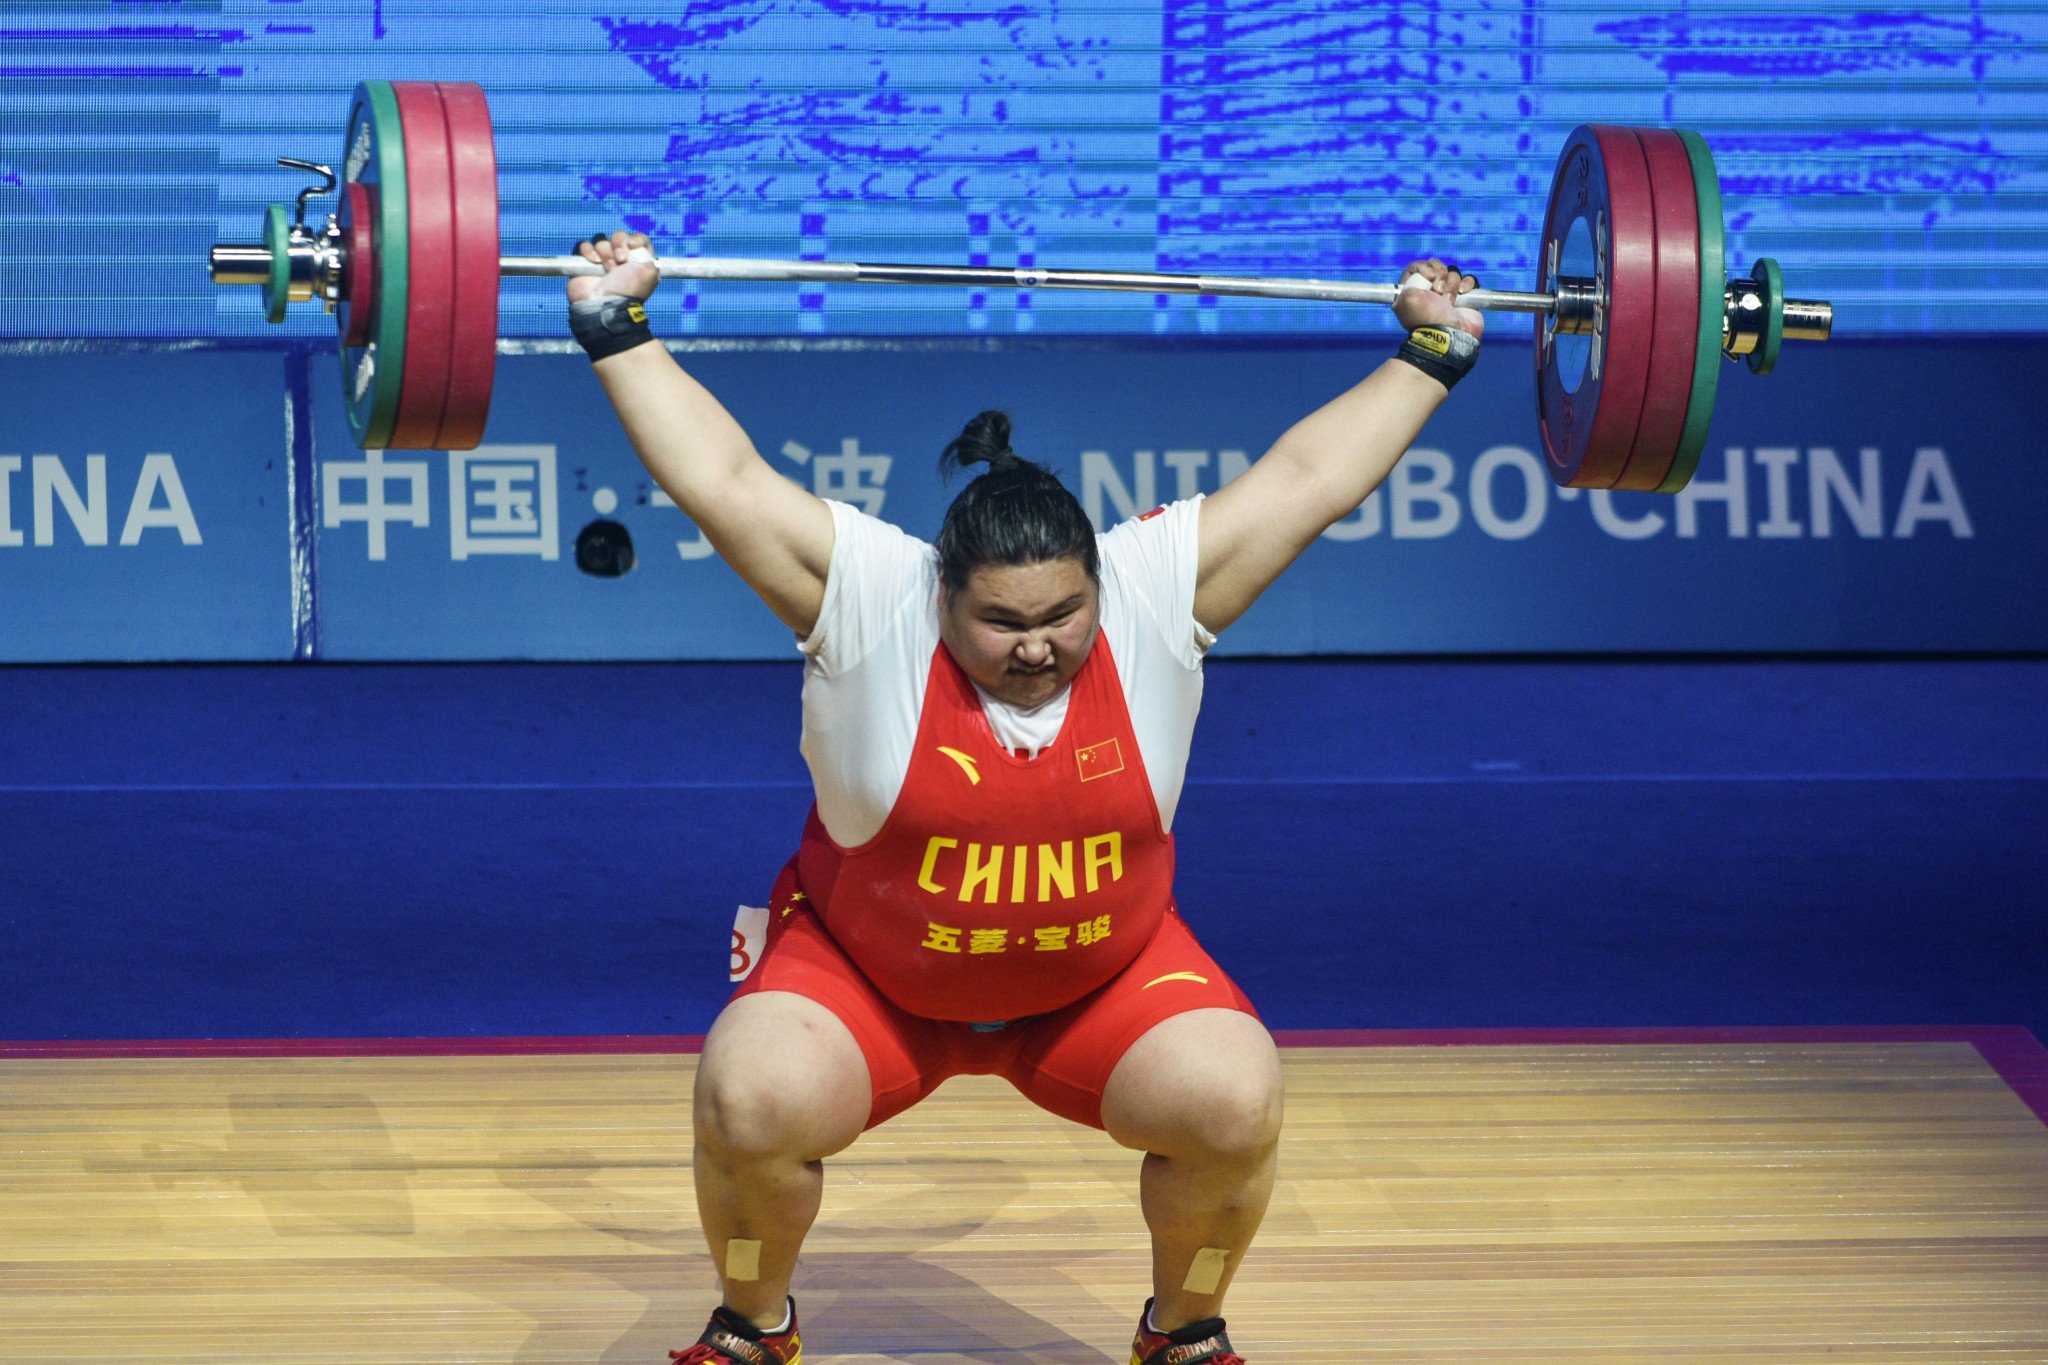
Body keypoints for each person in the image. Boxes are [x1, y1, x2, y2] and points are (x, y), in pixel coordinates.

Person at [567, 232, 1483, 1365]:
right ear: (940, 596)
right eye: (1002, 625)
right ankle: (753, 1324)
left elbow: (1306, 481)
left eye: (1062, 617)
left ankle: (1184, 1330)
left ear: (1097, 585)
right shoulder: (869, 599)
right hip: (872, 981)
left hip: (1096, 979)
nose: (1039, 648)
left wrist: (1432, 352)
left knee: (1234, 1099)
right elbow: (723, 480)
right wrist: (615, 326)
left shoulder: (1153, 593)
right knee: (749, 1097)